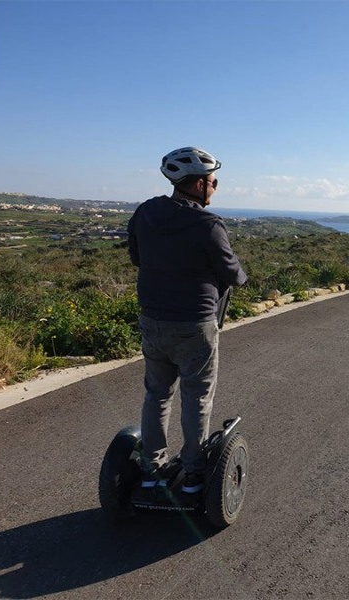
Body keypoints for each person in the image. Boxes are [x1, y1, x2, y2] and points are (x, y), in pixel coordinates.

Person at [127, 146, 248, 494]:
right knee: (196, 397)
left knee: (157, 394)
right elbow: (232, 272)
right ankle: (194, 474)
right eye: (213, 181)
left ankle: (151, 469)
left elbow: (137, 256)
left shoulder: (146, 212)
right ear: (197, 185)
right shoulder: (207, 224)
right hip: (195, 324)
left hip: (152, 319)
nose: (215, 186)